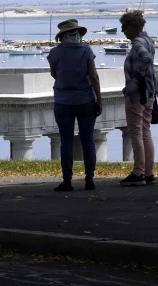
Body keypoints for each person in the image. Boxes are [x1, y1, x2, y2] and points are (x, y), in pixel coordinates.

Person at [47, 19, 102, 192]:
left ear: (61, 36)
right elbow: (93, 76)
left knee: (66, 141)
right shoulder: (86, 50)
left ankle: (67, 180)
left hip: (63, 101)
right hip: (85, 99)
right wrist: (98, 98)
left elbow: (54, 74)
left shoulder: (55, 52)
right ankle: (89, 179)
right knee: (88, 140)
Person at [119, 9, 157, 186]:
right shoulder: (148, 40)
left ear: (133, 27)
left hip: (137, 94)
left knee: (136, 132)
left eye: (124, 26)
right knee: (145, 131)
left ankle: (138, 172)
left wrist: (136, 78)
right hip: (149, 93)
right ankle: (148, 172)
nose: (122, 30)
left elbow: (146, 58)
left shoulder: (137, 44)